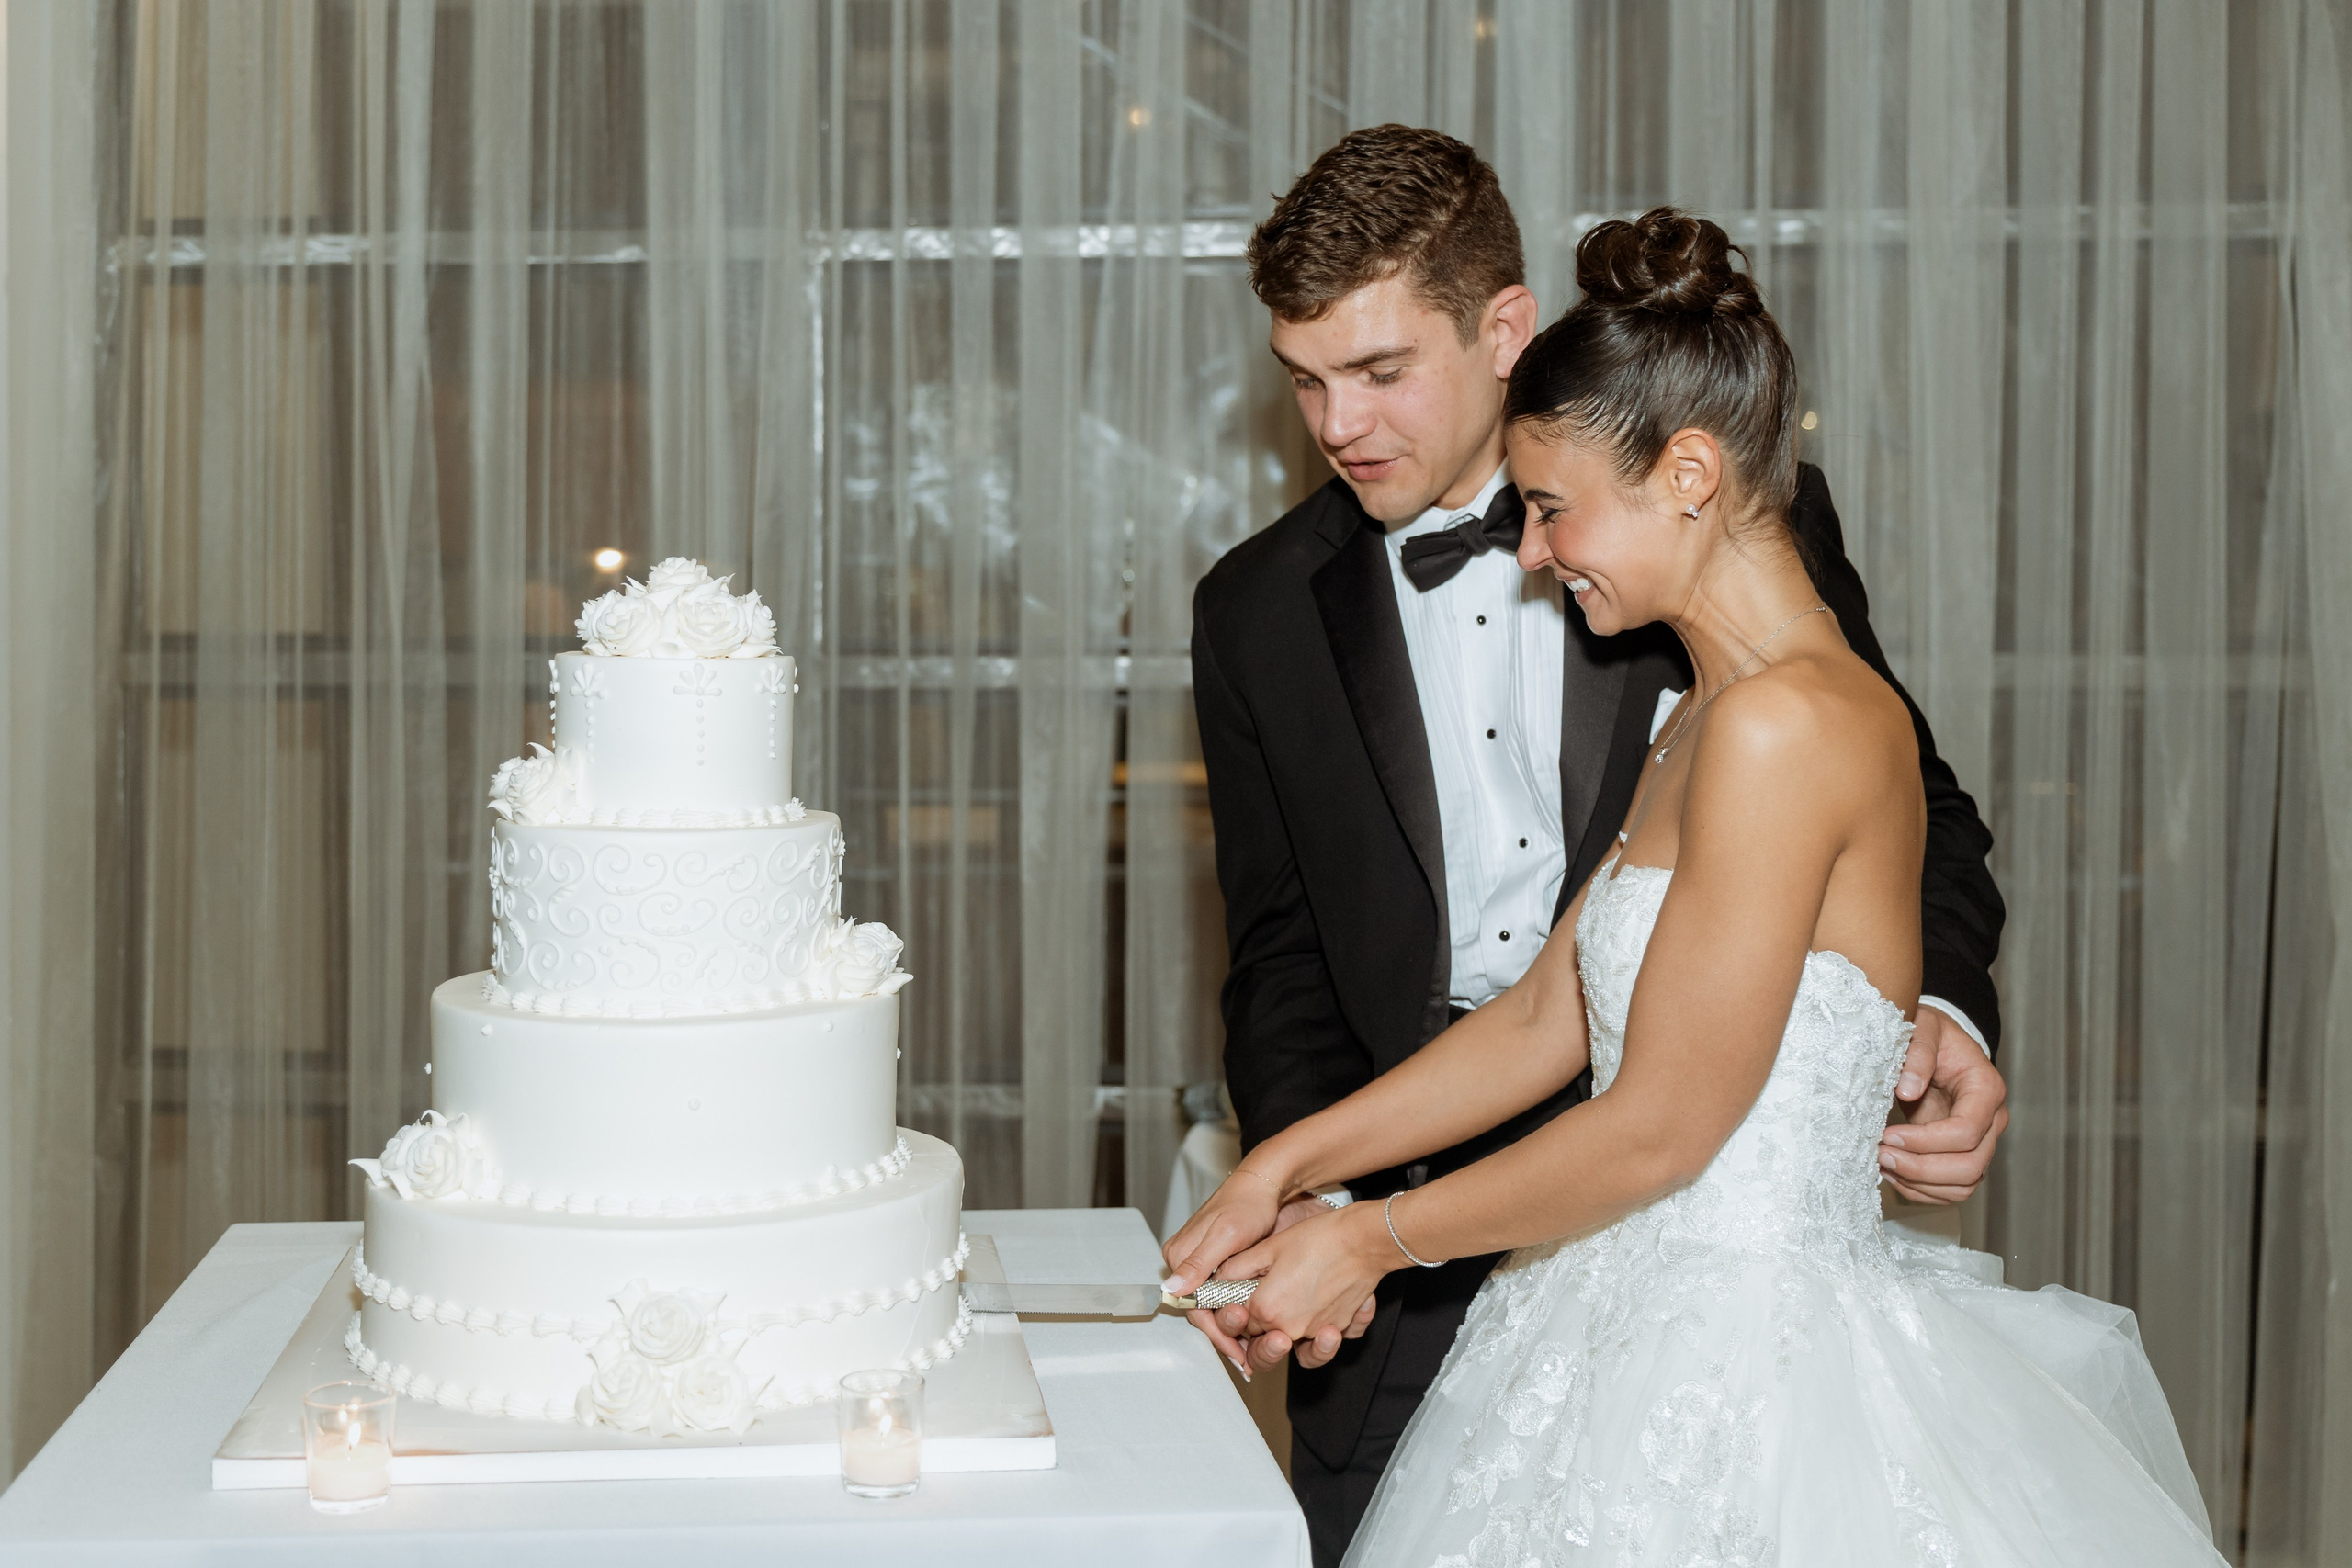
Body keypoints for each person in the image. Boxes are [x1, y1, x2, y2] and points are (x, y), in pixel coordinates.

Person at [1170, 208, 2222, 1565]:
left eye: (1550, 510)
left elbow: (1665, 1124)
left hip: (1754, 1377)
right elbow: (1553, 1012)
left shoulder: (1793, 723)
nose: (1534, 553)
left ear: (1688, 473)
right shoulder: (1702, 714)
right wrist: (1287, 1163)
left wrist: (1371, 1237)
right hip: (1599, 1314)